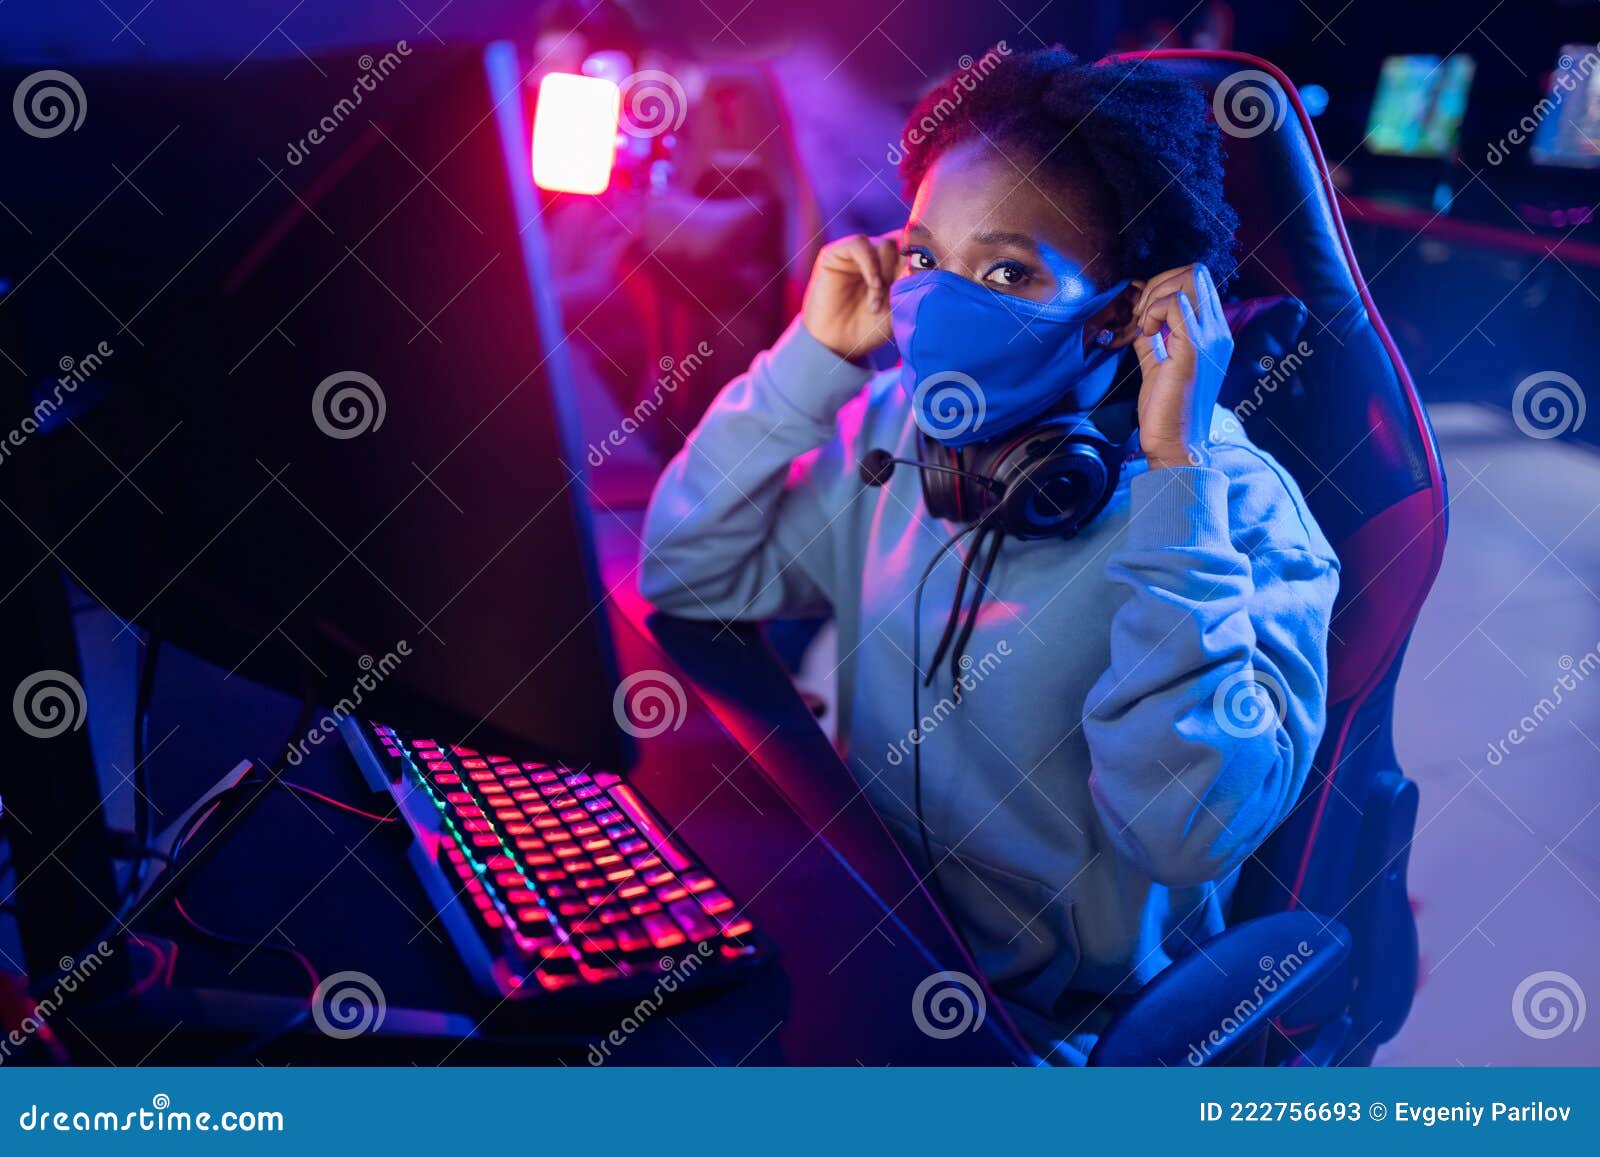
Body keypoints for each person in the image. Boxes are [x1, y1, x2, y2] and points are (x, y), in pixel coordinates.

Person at [638, 47, 1339, 1063]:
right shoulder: (895, 431)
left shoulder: (1239, 518)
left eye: (1006, 268)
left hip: (1041, 1039)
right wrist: (812, 359)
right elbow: (688, 571)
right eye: (924, 256)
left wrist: (1173, 475)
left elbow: (1184, 828)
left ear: (1124, 316)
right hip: (862, 920)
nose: (936, 300)